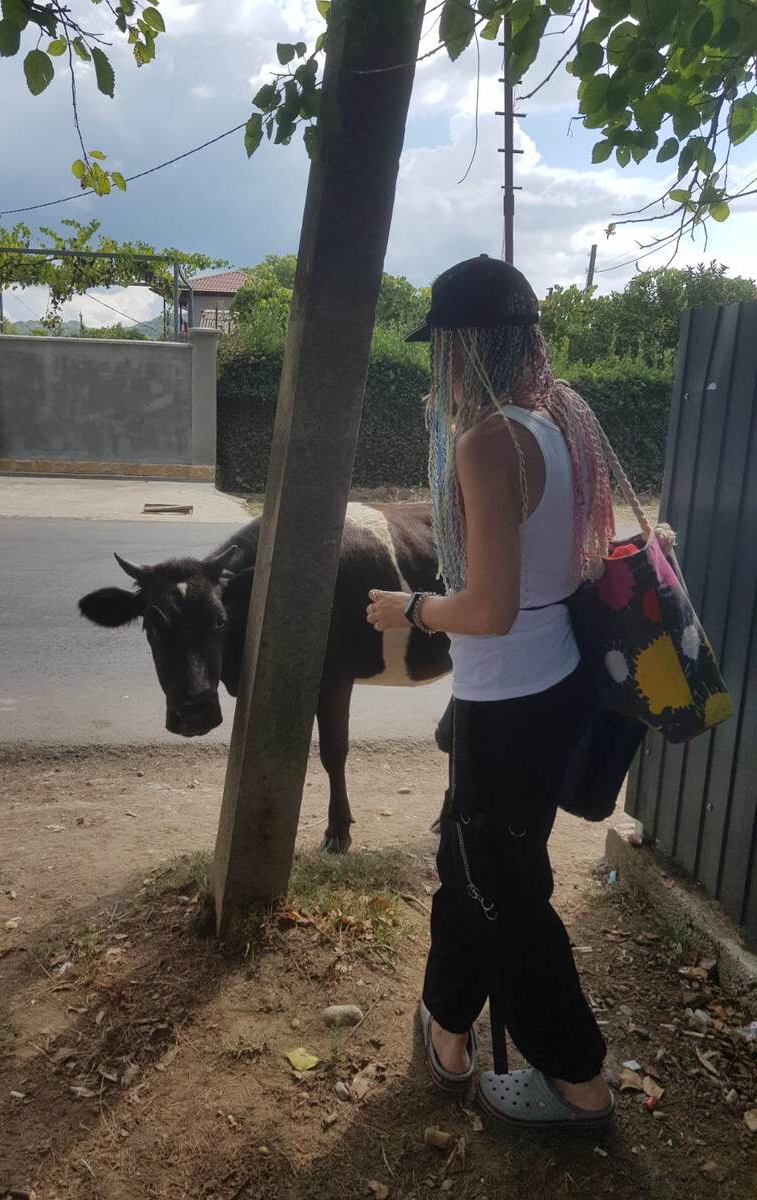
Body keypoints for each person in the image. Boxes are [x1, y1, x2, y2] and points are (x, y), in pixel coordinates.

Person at [366, 255, 616, 1128]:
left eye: (441, 347)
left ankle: (578, 1082)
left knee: (503, 893)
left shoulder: (488, 442)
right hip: (550, 689)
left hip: (506, 703)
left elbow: (490, 607)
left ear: (463, 346)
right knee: (468, 863)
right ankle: (444, 1023)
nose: (437, 364)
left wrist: (413, 607)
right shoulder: (563, 418)